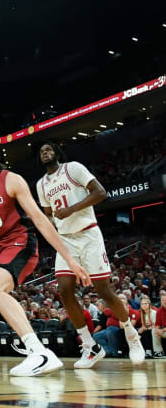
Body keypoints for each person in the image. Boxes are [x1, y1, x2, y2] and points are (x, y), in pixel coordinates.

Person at [0, 140, 91, 377]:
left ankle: (39, 353)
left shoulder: (11, 179)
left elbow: (40, 219)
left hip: (19, 242)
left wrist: (70, 258)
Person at [37, 142, 145, 367]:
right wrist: (50, 225)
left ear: (57, 153)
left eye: (48, 150)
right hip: (66, 240)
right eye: (41, 152)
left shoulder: (73, 168)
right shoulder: (41, 184)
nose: (45, 153)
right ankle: (90, 346)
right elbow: (49, 213)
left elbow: (100, 193)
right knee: (65, 291)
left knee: (103, 290)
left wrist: (72, 209)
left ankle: (131, 335)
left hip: (88, 234)